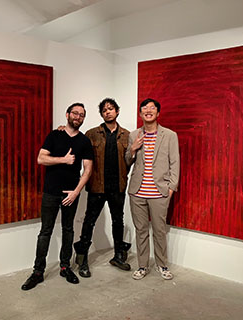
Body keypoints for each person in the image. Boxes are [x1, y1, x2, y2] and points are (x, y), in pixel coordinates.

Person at [21, 103, 93, 291]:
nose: (78, 117)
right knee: (45, 231)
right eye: (75, 113)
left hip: (71, 193)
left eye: (82, 115)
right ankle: (38, 271)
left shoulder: (84, 142)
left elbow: (87, 170)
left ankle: (65, 267)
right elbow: (40, 158)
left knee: (68, 230)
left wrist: (76, 191)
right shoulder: (54, 135)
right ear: (68, 114)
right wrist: (63, 159)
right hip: (50, 192)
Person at [72, 98, 132, 278]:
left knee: (118, 221)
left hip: (118, 187)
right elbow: (74, 140)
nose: (107, 112)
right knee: (89, 222)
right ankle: (82, 259)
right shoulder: (91, 134)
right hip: (97, 187)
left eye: (111, 109)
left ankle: (119, 256)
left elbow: (130, 160)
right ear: (101, 114)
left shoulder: (128, 135)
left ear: (117, 111)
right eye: (104, 110)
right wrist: (61, 129)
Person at [125, 98, 180, 280]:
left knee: (159, 230)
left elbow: (175, 162)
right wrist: (132, 149)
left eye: (152, 108)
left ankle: (162, 265)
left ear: (158, 113)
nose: (148, 111)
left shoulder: (170, 135)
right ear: (140, 114)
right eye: (144, 108)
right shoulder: (134, 135)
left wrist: (171, 188)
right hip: (137, 192)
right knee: (141, 231)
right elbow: (127, 161)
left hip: (159, 192)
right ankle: (142, 266)